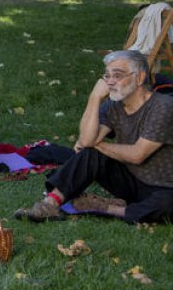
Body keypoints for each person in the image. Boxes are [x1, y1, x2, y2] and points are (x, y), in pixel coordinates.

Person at [16, 50, 173, 223]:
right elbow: (86, 139)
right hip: (131, 179)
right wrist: (95, 97)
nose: (110, 82)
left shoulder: (163, 106)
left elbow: (137, 154)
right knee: (91, 154)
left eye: (118, 75)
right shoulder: (114, 104)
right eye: (107, 76)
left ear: (140, 77)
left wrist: (96, 144)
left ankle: (108, 208)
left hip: (165, 186)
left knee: (167, 204)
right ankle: (50, 204)